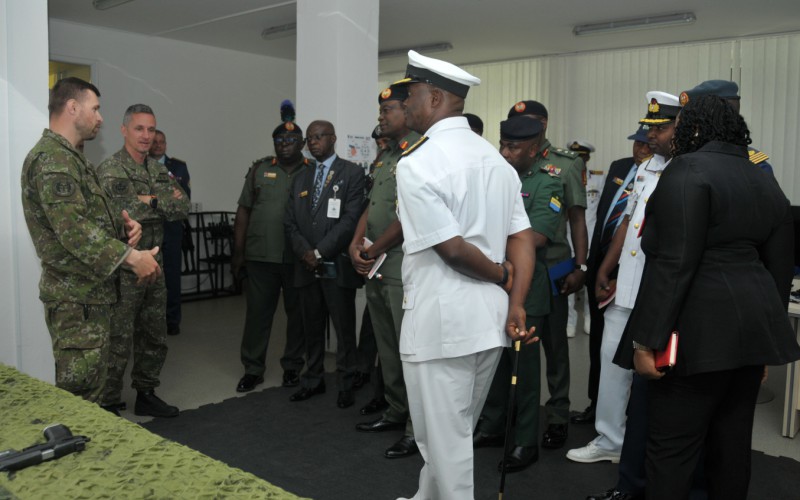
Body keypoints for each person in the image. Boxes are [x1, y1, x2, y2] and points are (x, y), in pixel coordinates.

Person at [616, 95, 800, 499]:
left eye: (682, 126)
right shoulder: (762, 177)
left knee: (671, 449)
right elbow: (780, 267)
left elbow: (673, 263)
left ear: (696, 128)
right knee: (731, 448)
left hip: (695, 332)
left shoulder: (687, 169)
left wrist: (645, 341)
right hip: (751, 333)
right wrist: (763, 347)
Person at [393, 50, 535, 500]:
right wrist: (515, 302)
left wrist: (499, 275)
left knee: (443, 441)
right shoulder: (495, 161)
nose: (405, 103)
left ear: (435, 98)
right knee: (453, 432)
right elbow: (522, 237)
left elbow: (452, 250)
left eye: (411, 94)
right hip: (488, 322)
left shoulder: (418, 163)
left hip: (442, 322)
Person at [20, 77, 160, 406]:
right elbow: (73, 229)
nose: (100, 117)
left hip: (90, 295)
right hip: (75, 299)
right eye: (95, 109)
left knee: (92, 392)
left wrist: (125, 227)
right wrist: (131, 257)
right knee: (81, 400)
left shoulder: (73, 158)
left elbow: (87, 217)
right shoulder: (53, 160)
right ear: (73, 108)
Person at [568, 91, 678, 465]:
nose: (650, 136)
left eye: (659, 129)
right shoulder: (645, 169)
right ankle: (610, 439)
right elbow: (627, 223)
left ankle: (655, 447)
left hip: (659, 291)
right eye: (648, 129)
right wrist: (604, 268)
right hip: (625, 286)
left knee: (657, 372)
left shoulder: (687, 170)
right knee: (612, 364)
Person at [473, 114, 563, 473]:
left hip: (526, 285)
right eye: (503, 145)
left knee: (523, 369)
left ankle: (526, 440)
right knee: (495, 362)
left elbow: (536, 235)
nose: (505, 152)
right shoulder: (495, 176)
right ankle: (494, 425)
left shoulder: (548, 181)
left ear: (534, 148)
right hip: (493, 280)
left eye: (514, 147)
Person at [96, 104, 190, 418]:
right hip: (124, 268)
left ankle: (146, 393)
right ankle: (108, 402)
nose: (146, 135)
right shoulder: (111, 169)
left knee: (154, 333)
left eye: (151, 129)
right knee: (118, 337)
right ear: (124, 130)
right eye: (139, 128)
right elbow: (120, 212)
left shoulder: (159, 170)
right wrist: (157, 202)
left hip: (155, 266)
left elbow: (182, 207)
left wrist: (145, 200)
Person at [508, 99, 588, 450]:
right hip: (512, 266)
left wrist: (581, 266)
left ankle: (557, 415)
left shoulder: (565, 164)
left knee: (554, 348)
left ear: (542, 124)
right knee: (516, 346)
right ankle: (510, 413)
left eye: (528, 121)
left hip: (551, 265)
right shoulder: (508, 159)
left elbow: (577, 219)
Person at [350, 84, 422, 459]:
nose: (381, 116)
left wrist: (373, 249)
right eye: (381, 110)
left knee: (409, 350)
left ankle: (415, 428)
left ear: (408, 111)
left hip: (401, 266)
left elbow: (410, 215)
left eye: (388, 109)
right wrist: (355, 243)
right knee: (387, 347)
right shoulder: (386, 155)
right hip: (375, 264)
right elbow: (371, 205)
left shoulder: (419, 152)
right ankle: (395, 411)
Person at [572, 125, 651, 427]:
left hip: (629, 272)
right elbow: (604, 216)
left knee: (627, 347)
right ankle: (596, 403)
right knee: (598, 343)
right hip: (600, 266)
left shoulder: (663, 175)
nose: (640, 149)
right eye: (637, 143)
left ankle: (627, 414)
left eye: (646, 144)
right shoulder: (619, 167)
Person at [284, 120, 365, 409]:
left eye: (319, 137)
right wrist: (306, 253)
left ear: (333, 138)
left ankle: (346, 383)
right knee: (311, 327)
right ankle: (313, 380)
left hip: (336, 264)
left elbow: (351, 220)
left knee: (343, 329)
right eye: (310, 138)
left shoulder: (352, 173)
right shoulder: (300, 178)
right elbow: (290, 222)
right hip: (306, 265)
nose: (313, 142)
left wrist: (320, 251)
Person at [231, 118, 311, 393]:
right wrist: (238, 252)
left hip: (297, 257)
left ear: (302, 143)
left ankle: (292, 367)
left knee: (297, 316)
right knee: (257, 315)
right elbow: (244, 210)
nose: (285, 145)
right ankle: (252, 369)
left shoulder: (311, 171)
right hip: (261, 256)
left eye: (291, 140)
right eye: (279, 141)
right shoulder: (259, 170)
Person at [149, 129, 190, 336]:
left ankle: (172, 320)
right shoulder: (141, 165)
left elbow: (184, 199)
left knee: (172, 277)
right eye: (154, 142)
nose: (158, 145)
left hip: (172, 229)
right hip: (149, 229)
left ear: (166, 144)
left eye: (162, 142)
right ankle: (151, 322)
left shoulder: (178, 167)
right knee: (151, 276)